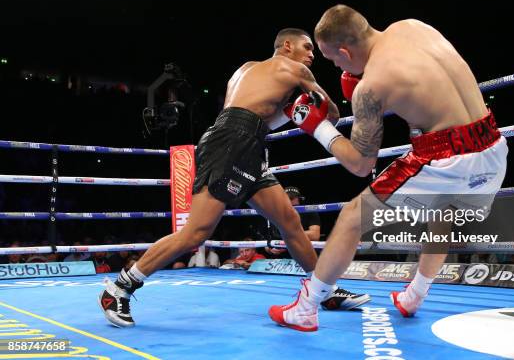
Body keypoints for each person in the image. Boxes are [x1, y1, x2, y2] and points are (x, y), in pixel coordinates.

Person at [99, 28, 369, 328]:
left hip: (243, 142)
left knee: (290, 222)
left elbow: (260, 115)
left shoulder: (247, 70)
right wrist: (353, 92)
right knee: (196, 233)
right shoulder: (296, 68)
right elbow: (330, 112)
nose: (311, 55)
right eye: (307, 48)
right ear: (287, 46)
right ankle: (119, 288)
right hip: (234, 144)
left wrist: (292, 111)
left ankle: (324, 292)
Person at [269, 4, 508, 331]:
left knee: (353, 217)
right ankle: (414, 296)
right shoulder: (413, 25)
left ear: (344, 50)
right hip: (493, 145)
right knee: (443, 213)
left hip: (446, 156)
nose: (337, 66)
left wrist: (319, 128)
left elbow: (360, 163)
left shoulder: (371, 87)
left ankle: (306, 308)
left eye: (334, 59)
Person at [265, 186, 321, 258]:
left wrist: (286, 242)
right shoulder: (275, 214)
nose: (290, 205)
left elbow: (314, 235)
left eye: (292, 199)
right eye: (287, 200)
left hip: (305, 255)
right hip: (281, 261)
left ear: (300, 200)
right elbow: (267, 242)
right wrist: (270, 249)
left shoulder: (309, 211)